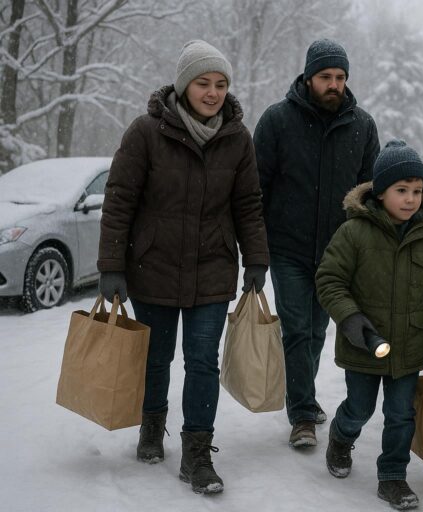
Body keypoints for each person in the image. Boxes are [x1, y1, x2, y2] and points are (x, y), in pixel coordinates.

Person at [97, 40, 269, 495]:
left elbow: (248, 205)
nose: (212, 93)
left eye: (220, 84)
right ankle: (152, 428)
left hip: (212, 268)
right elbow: (119, 201)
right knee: (155, 359)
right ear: (183, 85)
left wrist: (256, 258)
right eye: (202, 83)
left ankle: (196, 453)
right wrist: (112, 264)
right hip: (152, 265)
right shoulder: (145, 132)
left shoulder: (237, 139)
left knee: (202, 363)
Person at [316, 139, 423, 510]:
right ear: (380, 193)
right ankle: (341, 436)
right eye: (401, 190)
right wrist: (350, 318)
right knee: (360, 409)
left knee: (401, 414)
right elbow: (329, 280)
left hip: (409, 347)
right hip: (364, 344)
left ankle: (393, 476)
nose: (411, 199)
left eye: (417, 190)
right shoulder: (354, 233)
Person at [252, 38, 379, 448]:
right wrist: (256, 248)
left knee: (319, 329)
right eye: (326, 76)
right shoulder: (276, 121)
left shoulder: (362, 125)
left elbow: (371, 194)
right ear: (308, 77)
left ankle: (299, 395)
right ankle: (303, 414)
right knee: (296, 328)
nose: (334, 84)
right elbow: (256, 189)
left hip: (337, 252)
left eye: (340, 77)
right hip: (287, 247)